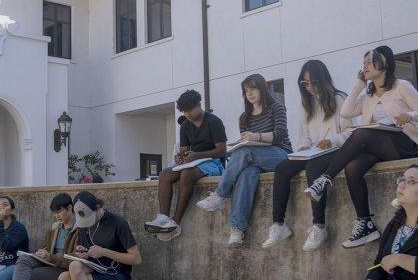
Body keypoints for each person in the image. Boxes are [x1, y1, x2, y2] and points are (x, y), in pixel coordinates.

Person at [304, 46, 418, 248]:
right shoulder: (367, 94)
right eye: (363, 63)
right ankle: (365, 223)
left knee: (361, 133)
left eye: (370, 62)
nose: (365, 66)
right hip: (377, 147)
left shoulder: (401, 86)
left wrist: (411, 116)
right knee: (353, 168)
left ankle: (324, 179)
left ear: (384, 64)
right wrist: (359, 83)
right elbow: (346, 113)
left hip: (404, 143)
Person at [263, 60, 355, 250]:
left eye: (312, 82)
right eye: (305, 83)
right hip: (314, 152)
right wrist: (304, 147)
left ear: (322, 79)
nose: (309, 87)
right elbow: (303, 137)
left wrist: (332, 140)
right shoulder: (307, 105)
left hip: (336, 151)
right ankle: (278, 224)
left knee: (314, 167)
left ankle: (319, 226)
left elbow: (352, 132)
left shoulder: (339, 98)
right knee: (282, 168)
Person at [196, 74, 292, 245]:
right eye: (246, 91)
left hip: (280, 155)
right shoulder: (244, 118)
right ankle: (237, 228)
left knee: (246, 151)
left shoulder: (276, 108)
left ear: (262, 88)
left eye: (253, 88)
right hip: (255, 160)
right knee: (246, 174)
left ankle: (219, 194)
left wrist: (256, 136)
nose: (249, 93)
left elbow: (280, 135)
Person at [144, 90, 227, 241]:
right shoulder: (185, 126)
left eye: (190, 110)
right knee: (164, 174)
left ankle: (175, 223)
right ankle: (163, 218)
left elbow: (222, 150)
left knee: (186, 174)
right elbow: (184, 151)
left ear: (198, 105)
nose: (187, 114)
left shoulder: (214, 121)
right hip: (193, 161)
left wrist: (197, 155)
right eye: (184, 111)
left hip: (214, 162)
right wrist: (180, 157)